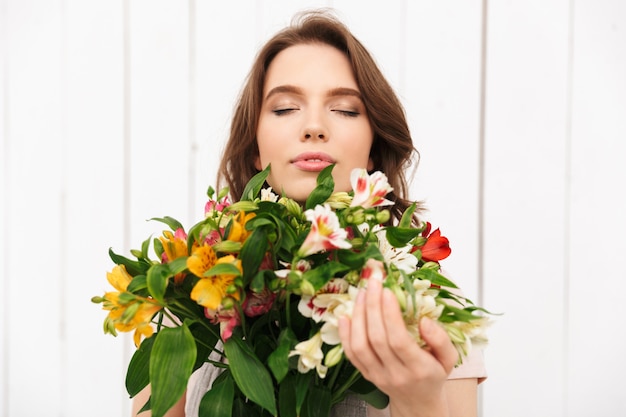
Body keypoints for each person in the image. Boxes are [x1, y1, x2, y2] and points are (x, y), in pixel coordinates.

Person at [132, 9, 486, 417]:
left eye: (346, 110)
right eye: (284, 108)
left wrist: (418, 401)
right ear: (254, 147)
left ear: (373, 147)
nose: (314, 126)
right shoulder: (190, 291)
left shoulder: (428, 305)